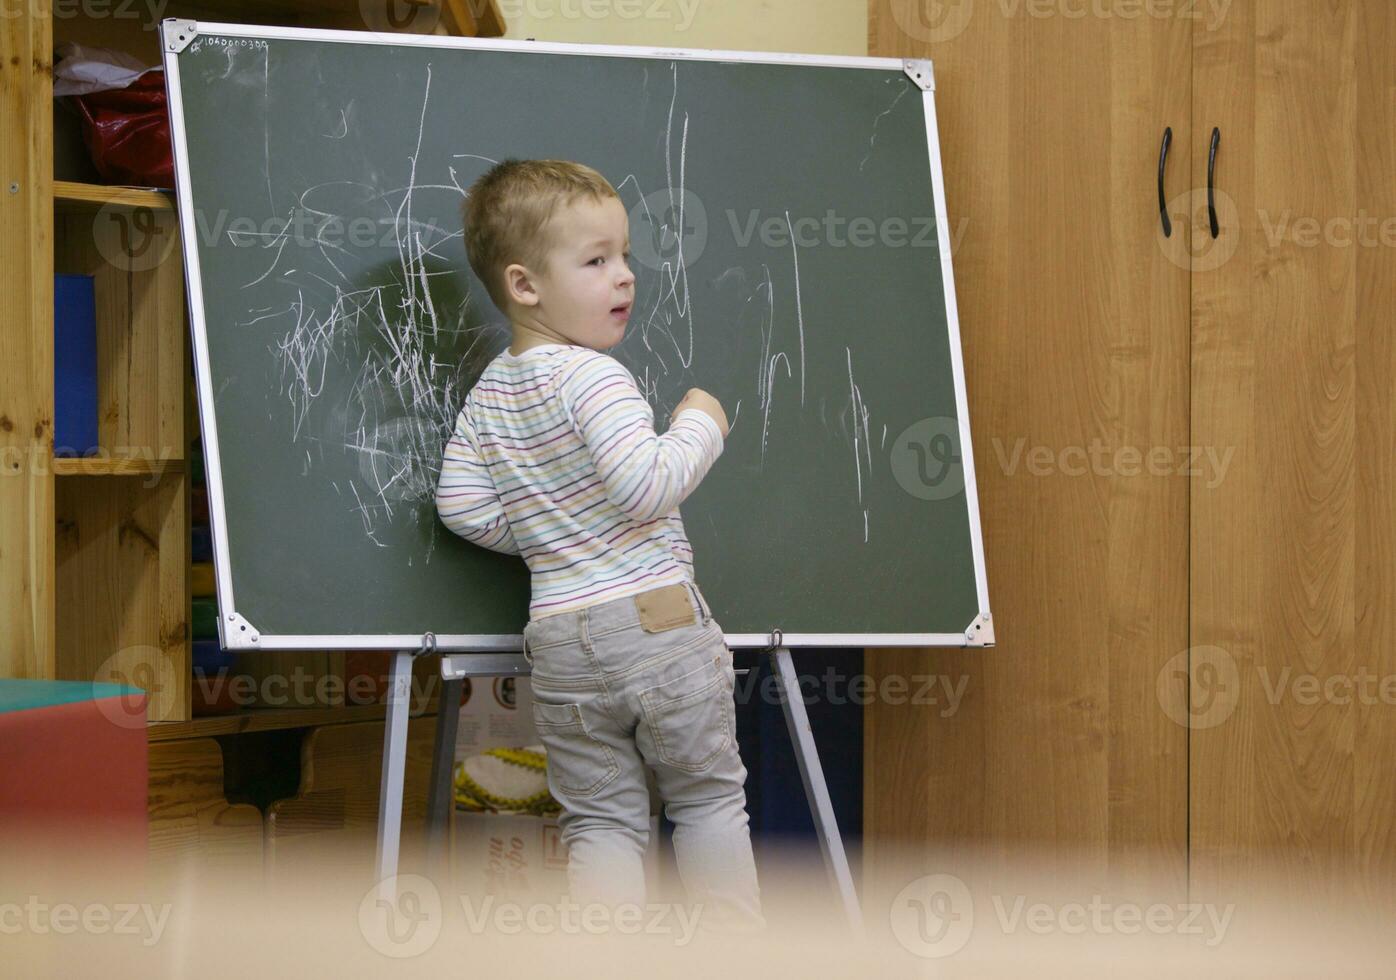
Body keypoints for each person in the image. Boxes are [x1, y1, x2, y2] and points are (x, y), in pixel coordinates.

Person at [436, 159, 765, 935]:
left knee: (604, 826)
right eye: (596, 261)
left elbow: (459, 508)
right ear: (525, 285)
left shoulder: (490, 392)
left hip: (558, 642)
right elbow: (648, 486)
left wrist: (554, 529)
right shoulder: (595, 378)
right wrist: (703, 422)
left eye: (624, 256)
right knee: (707, 800)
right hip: (654, 624)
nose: (625, 276)